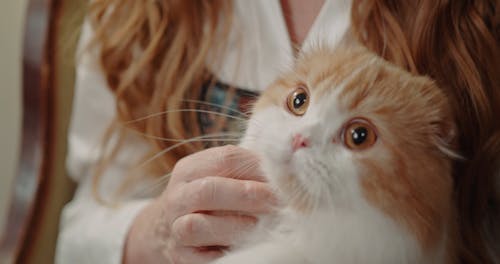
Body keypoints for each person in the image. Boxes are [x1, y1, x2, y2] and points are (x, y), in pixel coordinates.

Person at [56, 1, 500, 263]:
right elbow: (76, 235)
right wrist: (154, 233)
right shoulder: (135, 13)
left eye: (359, 136)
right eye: (299, 103)